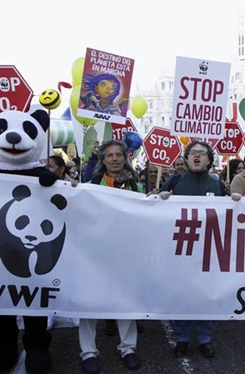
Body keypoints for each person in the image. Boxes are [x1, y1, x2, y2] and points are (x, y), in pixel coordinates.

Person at [156, 141, 240, 359]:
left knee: (205, 295)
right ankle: (182, 338)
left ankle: (204, 339)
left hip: (208, 251)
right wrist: (161, 198)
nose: (196, 156)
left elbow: (228, 214)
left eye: (202, 154)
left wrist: (236, 202)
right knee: (181, 294)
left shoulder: (218, 185)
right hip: (180, 250)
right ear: (186, 157)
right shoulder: (174, 181)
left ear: (209, 160)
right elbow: (155, 212)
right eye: (193, 153)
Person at [78, 140, 142, 374]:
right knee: (89, 305)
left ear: (126, 159)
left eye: (118, 155)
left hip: (125, 255)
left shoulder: (136, 186)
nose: (114, 159)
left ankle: (128, 348)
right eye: (109, 156)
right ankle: (88, 352)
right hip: (94, 255)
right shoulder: (90, 185)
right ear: (103, 160)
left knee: (125, 302)